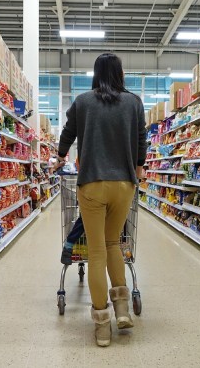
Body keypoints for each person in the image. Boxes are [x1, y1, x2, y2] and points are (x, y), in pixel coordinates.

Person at [57, 53, 147, 347]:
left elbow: (68, 133)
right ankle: (122, 310)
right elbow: (141, 140)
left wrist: (59, 157)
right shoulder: (134, 102)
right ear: (120, 73)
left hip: (92, 183)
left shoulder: (83, 102)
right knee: (113, 245)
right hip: (123, 185)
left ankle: (101, 326)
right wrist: (139, 167)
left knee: (95, 252)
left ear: (95, 74)